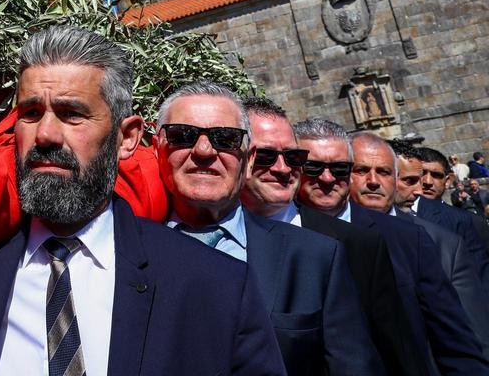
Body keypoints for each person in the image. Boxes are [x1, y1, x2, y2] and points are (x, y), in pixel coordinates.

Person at [0, 29, 284, 376]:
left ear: (127, 138)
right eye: (30, 113)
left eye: (71, 113)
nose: (44, 134)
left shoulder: (214, 284)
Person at [154, 82, 383, 376]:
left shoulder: (315, 257)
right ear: (158, 149)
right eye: (182, 136)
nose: (203, 150)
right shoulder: (119, 253)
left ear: (248, 161)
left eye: (225, 138)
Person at [235, 101, 421, 376]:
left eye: (293, 158)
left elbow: (393, 349)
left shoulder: (354, 245)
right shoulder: (194, 233)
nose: (283, 169)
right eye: (265, 155)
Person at [350, 132, 489, 373]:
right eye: (360, 170)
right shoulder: (324, 237)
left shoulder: (443, 243)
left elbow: (472, 337)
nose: (373, 181)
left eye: (384, 172)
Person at [395, 141, 489, 286]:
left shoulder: (471, 222)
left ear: (448, 180)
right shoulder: (388, 215)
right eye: (421, 174)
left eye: (436, 175)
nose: (427, 181)